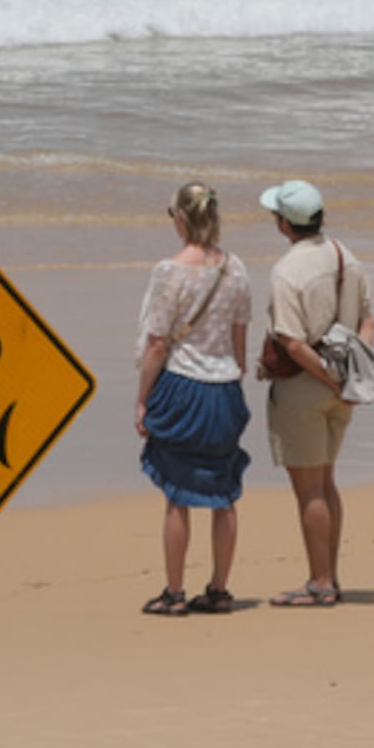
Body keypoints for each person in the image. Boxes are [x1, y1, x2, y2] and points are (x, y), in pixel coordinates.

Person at [257, 179, 374, 607]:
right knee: (326, 483)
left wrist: (330, 378)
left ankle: (320, 582)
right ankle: (331, 576)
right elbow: (367, 321)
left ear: (285, 225)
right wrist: (352, 378)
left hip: (306, 389)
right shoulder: (347, 256)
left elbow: (291, 343)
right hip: (341, 390)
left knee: (309, 491)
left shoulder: (288, 271)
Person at [136, 181, 252, 615]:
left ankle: (174, 591)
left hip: (184, 386)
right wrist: (233, 374)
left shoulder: (170, 270)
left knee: (177, 491)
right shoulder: (236, 268)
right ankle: (220, 588)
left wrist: (142, 399)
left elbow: (156, 344)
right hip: (224, 388)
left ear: (181, 218)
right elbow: (241, 336)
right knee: (224, 493)